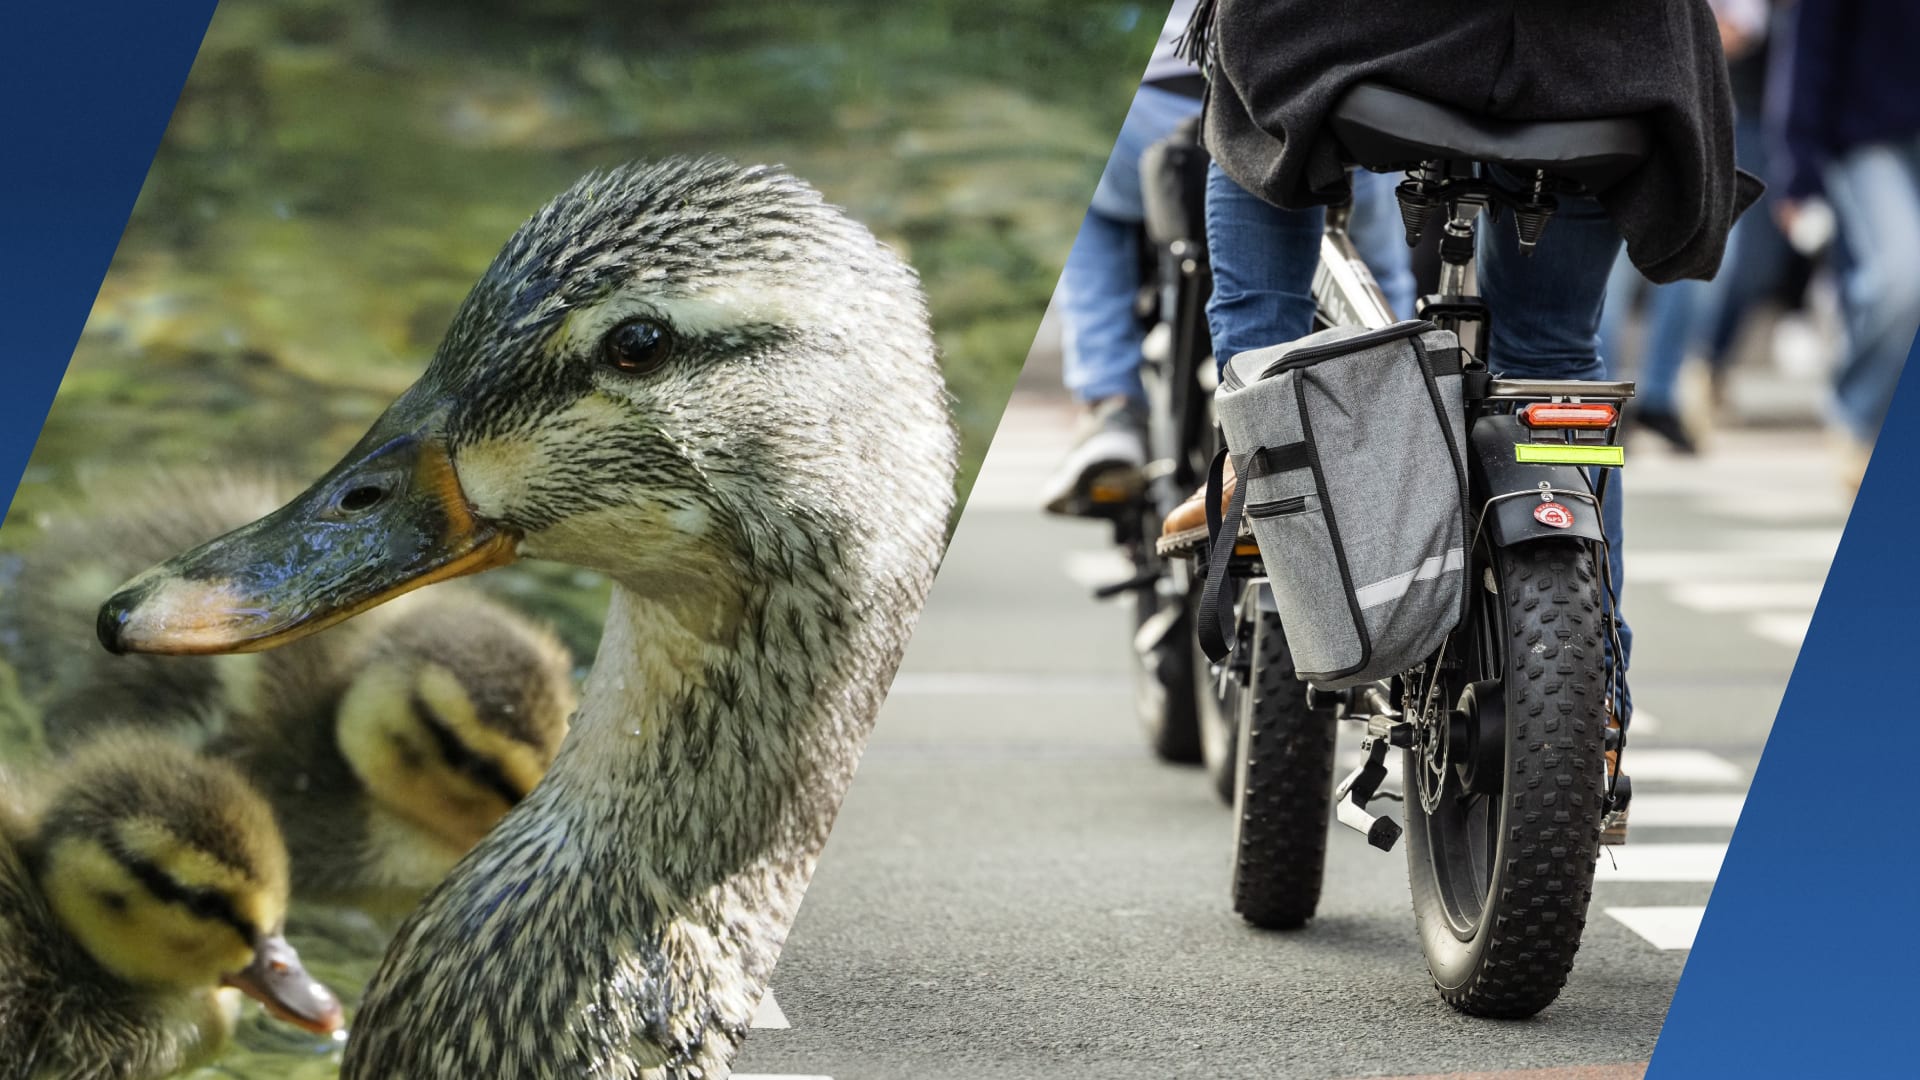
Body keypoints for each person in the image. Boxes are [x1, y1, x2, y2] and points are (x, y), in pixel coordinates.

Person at [1161, 0, 1758, 834]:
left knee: (1244, 104)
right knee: (1552, 356)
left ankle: (1258, 457)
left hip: (1373, 42)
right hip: (1609, 68)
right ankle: (1603, 725)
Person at [1043, 0, 1413, 516]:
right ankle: (1401, 409)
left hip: (1178, 105)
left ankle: (1112, 405)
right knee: (1380, 262)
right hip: (1355, 97)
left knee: (1086, 203)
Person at [1766, 0, 1920, 486]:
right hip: (1867, 139)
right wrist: (1797, 167)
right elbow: (1807, 49)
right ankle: (1857, 416)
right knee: (1902, 277)